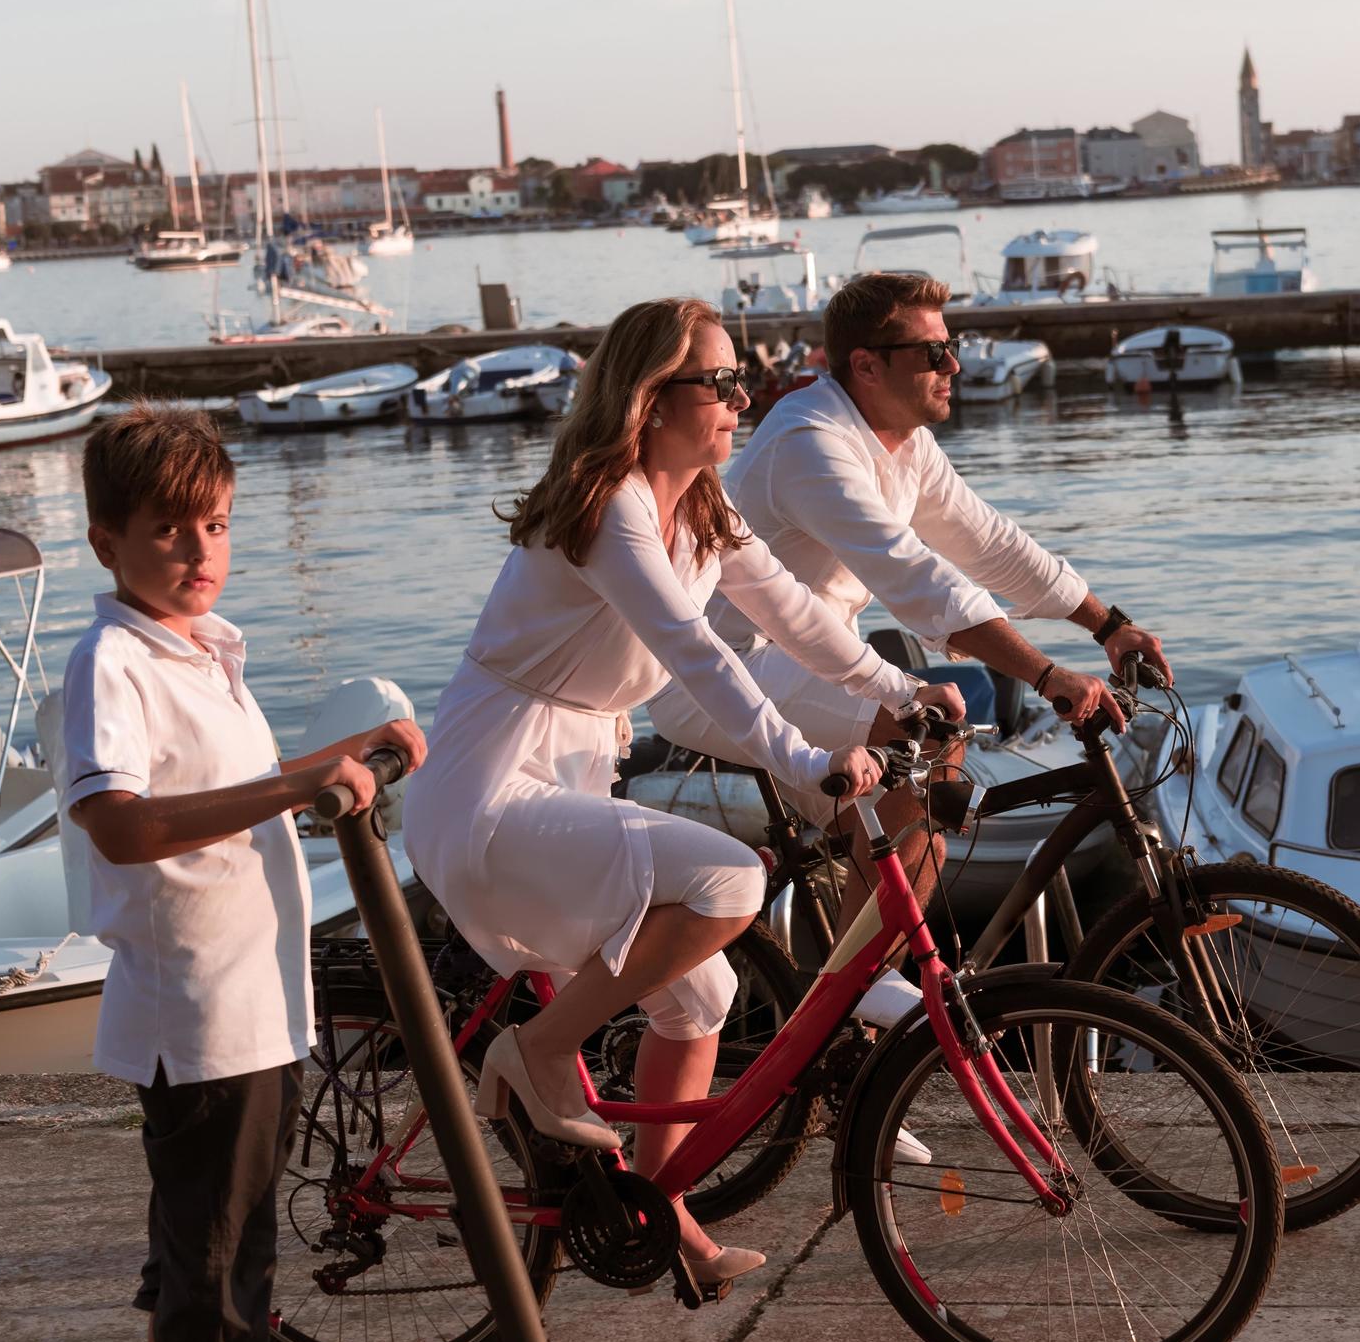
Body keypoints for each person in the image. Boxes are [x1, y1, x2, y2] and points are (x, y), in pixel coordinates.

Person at [400, 298, 949, 1288]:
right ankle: (537, 1051)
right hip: (491, 782)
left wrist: (898, 691)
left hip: (567, 765)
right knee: (731, 881)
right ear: (652, 399)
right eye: (724, 382)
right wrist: (800, 754)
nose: (744, 398)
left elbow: (789, 615)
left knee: (703, 994)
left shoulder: (698, 503)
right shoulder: (611, 503)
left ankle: (662, 1222)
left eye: (744, 380)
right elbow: (694, 655)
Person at [58, 403, 431, 1342]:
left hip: (254, 1002)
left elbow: (231, 789)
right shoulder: (111, 661)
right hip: (199, 1015)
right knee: (225, 1270)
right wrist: (289, 788)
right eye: (169, 529)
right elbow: (119, 823)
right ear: (106, 537)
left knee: (193, 1254)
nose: (200, 551)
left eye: (215, 524)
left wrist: (332, 757)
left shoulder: (205, 648)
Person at [647, 270, 1167, 904]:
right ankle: (870, 991)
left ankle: (861, 993)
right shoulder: (811, 444)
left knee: (916, 842)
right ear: (866, 366)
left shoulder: (905, 444)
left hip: (811, 666)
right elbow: (914, 576)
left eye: (952, 344)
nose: (952, 363)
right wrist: (1046, 675)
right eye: (932, 353)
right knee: (929, 742)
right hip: (719, 675)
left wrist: (1107, 626)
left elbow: (991, 543)